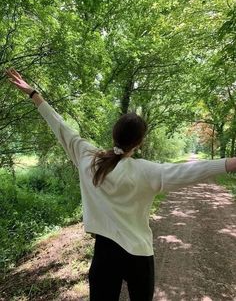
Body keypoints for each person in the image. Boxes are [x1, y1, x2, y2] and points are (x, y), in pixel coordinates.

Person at [5, 68, 236, 301]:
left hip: (105, 253)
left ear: (114, 133)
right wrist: (230, 163)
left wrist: (34, 94)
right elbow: (193, 170)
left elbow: (60, 126)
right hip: (139, 254)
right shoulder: (148, 171)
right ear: (140, 142)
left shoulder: (89, 158)